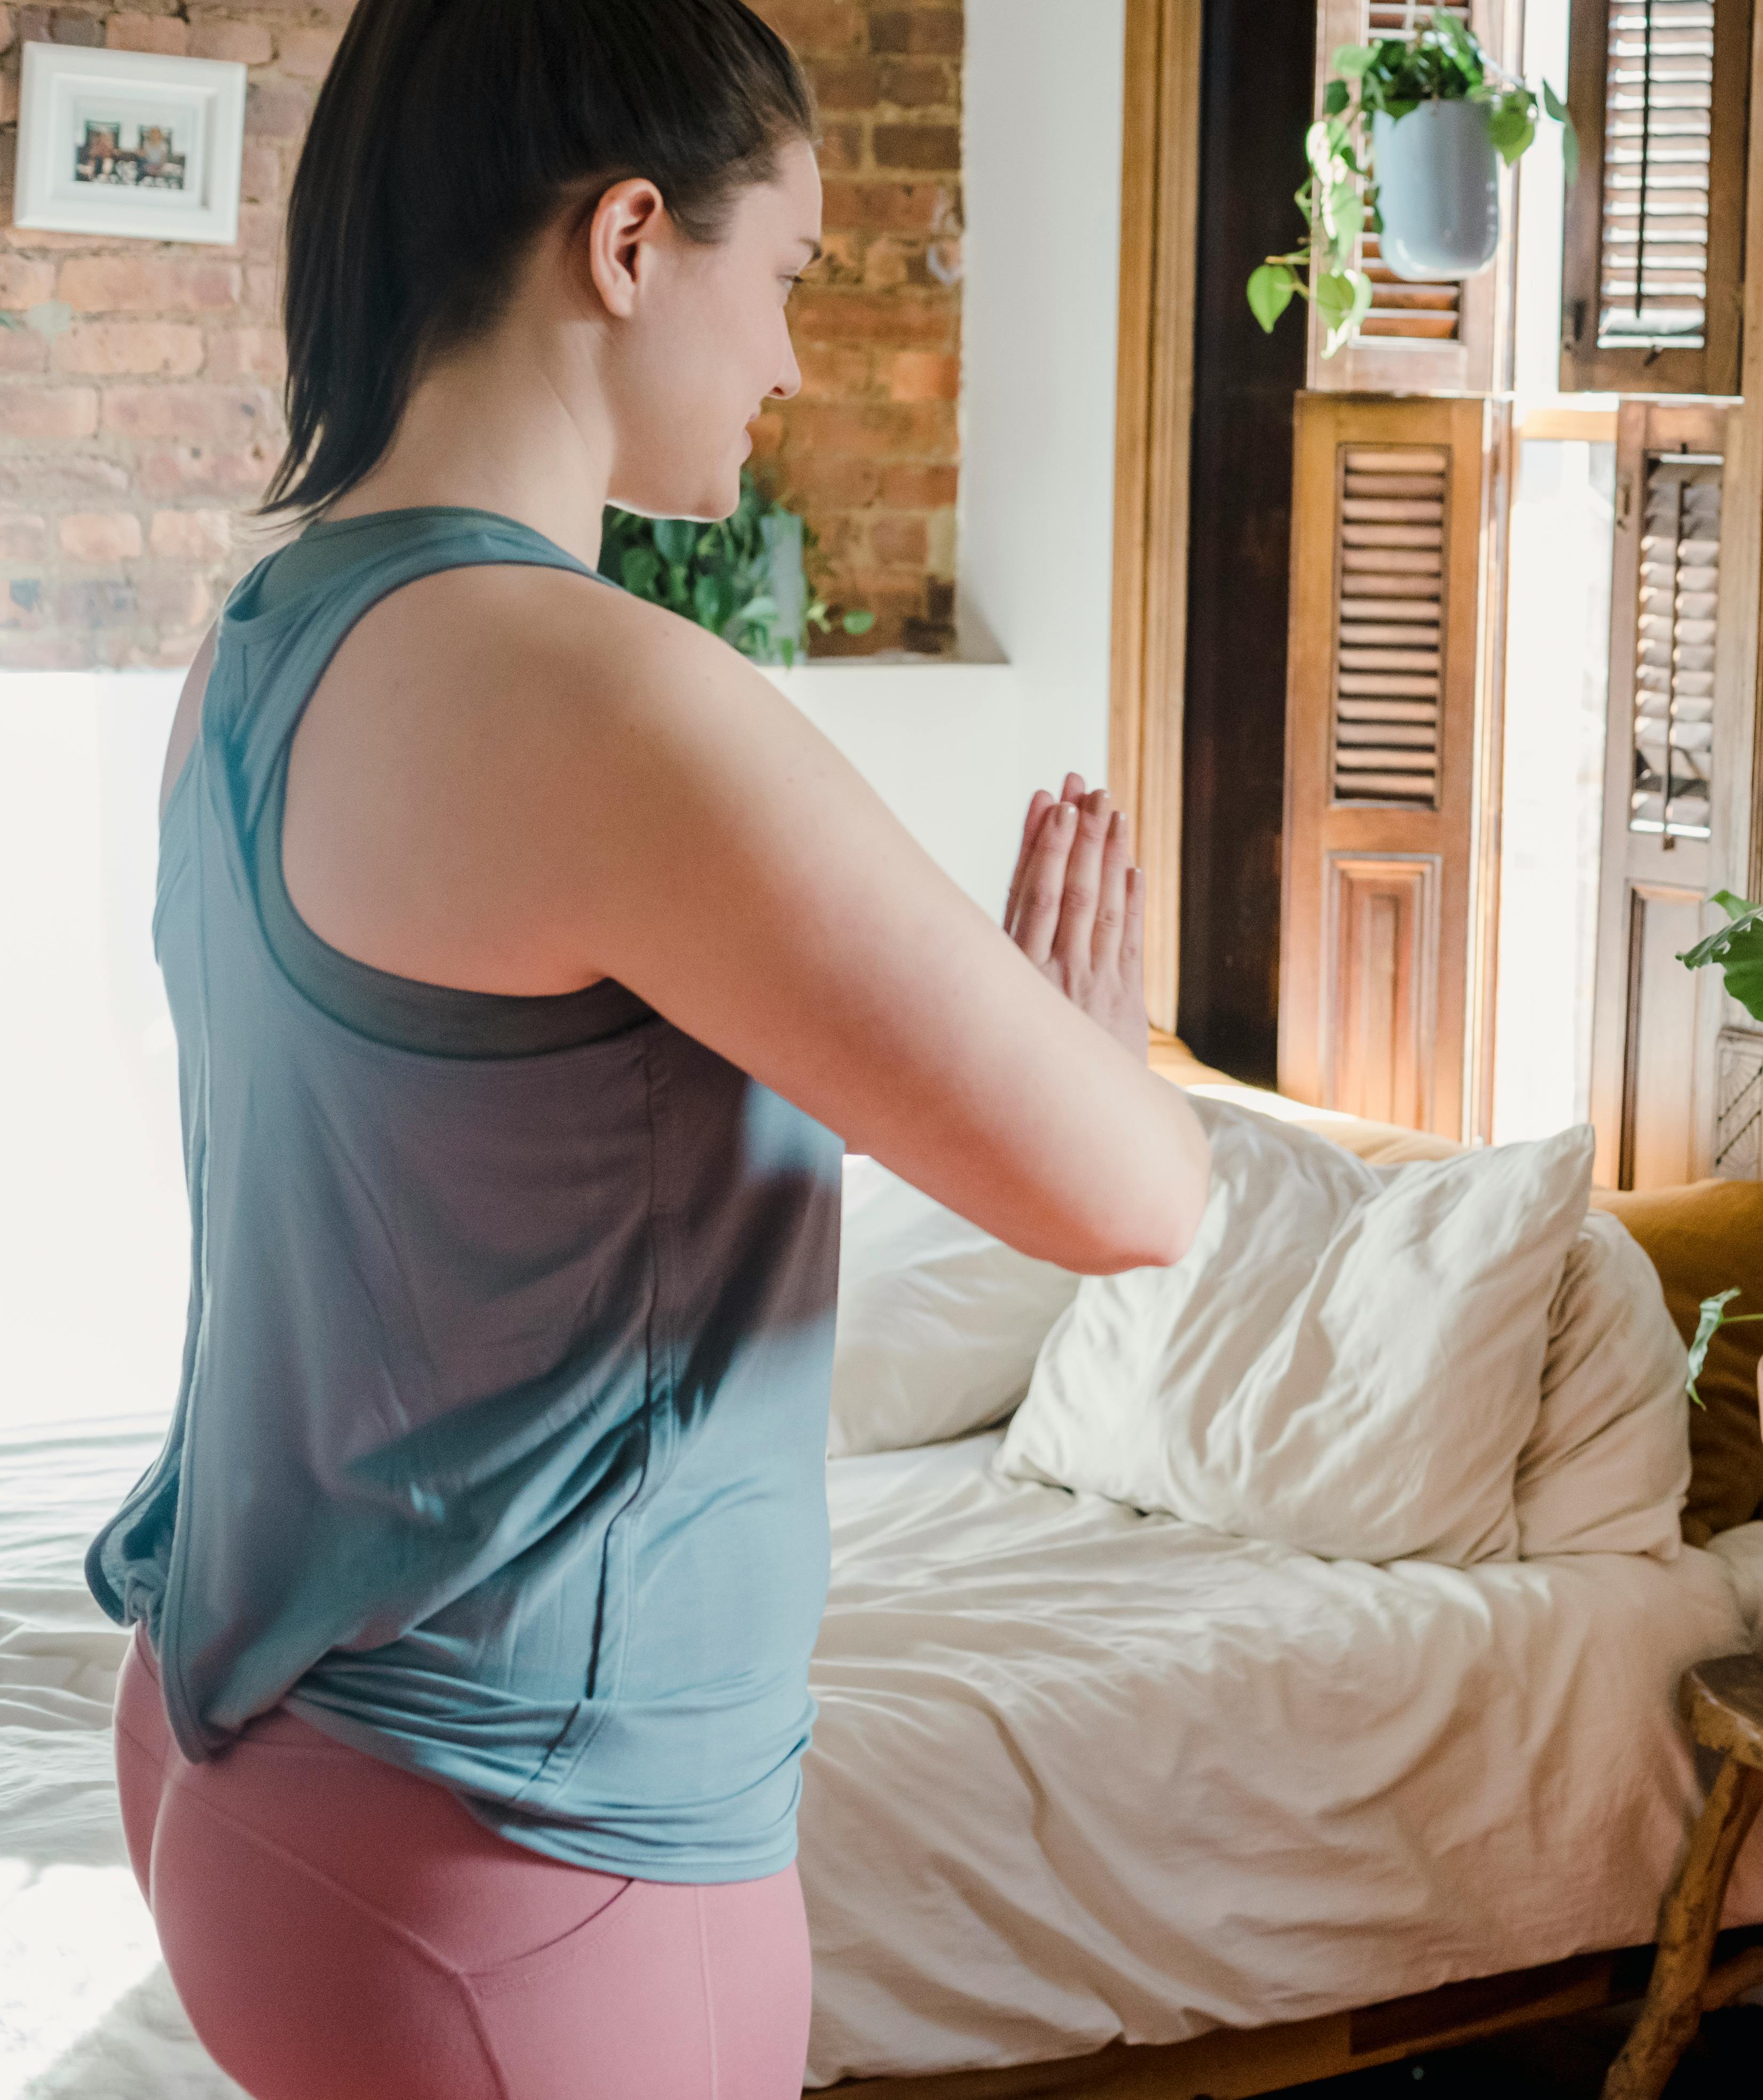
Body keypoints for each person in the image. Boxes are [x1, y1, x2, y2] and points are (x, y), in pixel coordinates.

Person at [88, 4, 1212, 2095]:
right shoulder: (607, 701)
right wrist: (1089, 1053)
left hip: (237, 1739)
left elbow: (520, 1159)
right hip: (508, 1856)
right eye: (780, 272)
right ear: (627, 243)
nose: (791, 358)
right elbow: (1138, 1193)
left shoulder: (257, 640)